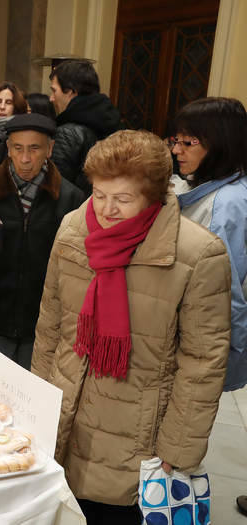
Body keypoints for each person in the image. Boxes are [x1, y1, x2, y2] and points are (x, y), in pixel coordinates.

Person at [31, 130, 231, 525]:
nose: (106, 210)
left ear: (154, 195)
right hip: (64, 415)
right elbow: (50, 324)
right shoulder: (74, 230)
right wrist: (37, 406)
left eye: (123, 199)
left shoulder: (198, 255)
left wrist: (179, 446)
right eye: (99, 194)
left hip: (137, 436)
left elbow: (202, 361)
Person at [0, 113, 84, 368]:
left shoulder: (71, 199)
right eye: (18, 148)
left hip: (42, 325)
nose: (25, 159)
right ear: (7, 148)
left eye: (34, 148)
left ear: (50, 149)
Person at [169, 97, 247, 393]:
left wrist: (228, 361)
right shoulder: (206, 186)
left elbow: (225, 294)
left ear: (219, 146)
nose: (176, 150)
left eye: (189, 143)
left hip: (198, 346)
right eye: (177, 140)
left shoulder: (225, 205)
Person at [49, 60, 120, 195]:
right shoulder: (111, 121)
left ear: (70, 92)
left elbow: (56, 188)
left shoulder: (68, 133)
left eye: (54, 91)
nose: (51, 98)